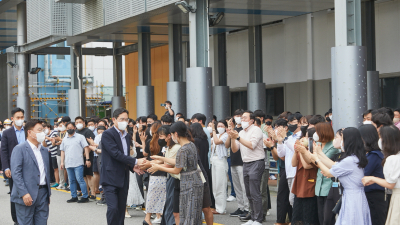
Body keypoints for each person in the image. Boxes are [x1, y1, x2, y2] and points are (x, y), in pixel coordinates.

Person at [311, 127, 371, 225]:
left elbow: (329, 172)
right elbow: (334, 166)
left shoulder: (349, 160)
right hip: (354, 196)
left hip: (352, 198)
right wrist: (319, 153)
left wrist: (316, 160)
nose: (340, 141)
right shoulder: (354, 157)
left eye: (342, 138)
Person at [149, 121, 204, 225]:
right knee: (193, 215)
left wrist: (158, 167)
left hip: (188, 184)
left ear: (176, 134)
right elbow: (179, 162)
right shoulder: (191, 145)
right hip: (196, 181)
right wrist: (161, 158)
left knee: (188, 215)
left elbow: (176, 170)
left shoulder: (183, 149)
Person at [100, 107, 145, 225]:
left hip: (123, 177)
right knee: (113, 208)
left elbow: (124, 155)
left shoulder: (127, 136)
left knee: (121, 210)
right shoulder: (107, 134)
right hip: (110, 177)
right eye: (121, 119)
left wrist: (132, 166)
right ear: (114, 119)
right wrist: (135, 162)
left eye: (126, 119)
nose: (124, 121)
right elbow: (115, 154)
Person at [10, 120, 51, 225]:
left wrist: (47, 194)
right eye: (39, 130)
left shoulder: (45, 151)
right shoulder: (20, 149)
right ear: (29, 132)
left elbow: (46, 173)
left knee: (42, 222)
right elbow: (16, 173)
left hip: (43, 194)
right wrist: (24, 193)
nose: (42, 133)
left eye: (43, 130)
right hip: (26, 193)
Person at [228, 110, 265, 225]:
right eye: (241, 118)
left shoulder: (256, 130)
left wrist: (237, 137)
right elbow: (234, 149)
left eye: (244, 118)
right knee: (248, 192)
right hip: (246, 163)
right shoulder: (242, 132)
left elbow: (252, 145)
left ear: (252, 120)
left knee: (255, 192)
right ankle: (253, 218)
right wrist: (233, 137)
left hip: (256, 162)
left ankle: (258, 219)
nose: (242, 120)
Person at [362, 125, 400, 225]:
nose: (379, 140)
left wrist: (372, 178)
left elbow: (390, 183)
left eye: (380, 136)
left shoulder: (392, 158)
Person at [1, 107, 26, 224]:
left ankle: (27, 215)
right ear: (12, 119)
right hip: (13, 168)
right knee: (15, 193)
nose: (20, 119)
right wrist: (6, 167)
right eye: (18, 117)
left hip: (28, 167)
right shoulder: (6, 133)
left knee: (28, 191)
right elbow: (4, 151)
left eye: (22, 117)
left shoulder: (29, 131)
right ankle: (16, 219)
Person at [359, 124, 388, 225]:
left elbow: (363, 173)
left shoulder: (374, 155)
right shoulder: (370, 154)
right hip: (371, 196)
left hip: (375, 196)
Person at [290, 129, 319, 225]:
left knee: (308, 214)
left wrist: (302, 152)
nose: (303, 138)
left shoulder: (312, 152)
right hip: (299, 183)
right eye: (303, 136)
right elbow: (293, 164)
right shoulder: (301, 150)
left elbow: (307, 165)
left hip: (309, 183)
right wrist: (296, 151)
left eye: (306, 137)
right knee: (297, 214)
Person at [140, 122, 167, 225]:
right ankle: (153, 217)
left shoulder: (149, 142)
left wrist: (143, 142)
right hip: (163, 170)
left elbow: (145, 153)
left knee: (152, 195)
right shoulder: (164, 142)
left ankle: (150, 217)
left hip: (152, 170)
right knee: (161, 196)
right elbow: (165, 159)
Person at [313, 122, 339, 225]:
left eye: (317, 131)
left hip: (329, 183)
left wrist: (315, 155)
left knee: (328, 218)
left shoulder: (333, 146)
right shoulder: (318, 145)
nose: (315, 134)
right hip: (319, 184)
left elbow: (321, 161)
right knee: (320, 215)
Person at [225, 109, 250, 218]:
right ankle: (240, 207)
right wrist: (230, 131)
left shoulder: (245, 130)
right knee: (237, 187)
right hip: (233, 161)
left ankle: (247, 208)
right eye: (236, 116)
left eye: (240, 116)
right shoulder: (234, 129)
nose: (238, 118)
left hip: (242, 161)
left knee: (244, 187)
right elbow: (227, 145)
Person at [60, 122, 91, 203]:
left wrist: (87, 159)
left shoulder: (80, 137)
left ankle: (85, 196)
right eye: (68, 128)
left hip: (78, 163)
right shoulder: (65, 138)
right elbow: (62, 151)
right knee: (72, 180)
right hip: (68, 163)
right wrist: (62, 162)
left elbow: (86, 148)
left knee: (80, 179)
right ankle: (74, 196)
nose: (69, 129)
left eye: (71, 127)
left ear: (74, 128)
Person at [277, 113, 303, 207]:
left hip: (297, 173)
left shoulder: (302, 136)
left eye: (293, 122)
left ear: (300, 123)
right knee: (292, 201)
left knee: (294, 200)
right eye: (289, 122)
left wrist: (285, 138)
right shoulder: (291, 137)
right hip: (289, 173)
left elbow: (296, 149)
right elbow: (281, 153)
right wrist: (280, 141)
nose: (290, 124)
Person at [75, 116, 96, 199]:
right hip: (79, 157)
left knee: (89, 174)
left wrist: (86, 154)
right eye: (76, 122)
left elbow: (91, 144)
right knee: (83, 175)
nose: (78, 124)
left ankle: (93, 192)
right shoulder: (76, 132)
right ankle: (86, 192)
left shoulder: (88, 132)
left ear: (84, 123)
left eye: (80, 122)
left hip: (88, 156)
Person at [211, 120, 229, 214]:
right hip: (213, 159)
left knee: (220, 184)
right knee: (215, 185)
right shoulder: (216, 135)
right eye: (218, 126)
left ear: (225, 127)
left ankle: (221, 209)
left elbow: (217, 142)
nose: (219, 127)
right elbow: (212, 146)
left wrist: (213, 130)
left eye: (221, 126)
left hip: (221, 160)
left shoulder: (226, 135)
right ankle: (217, 207)